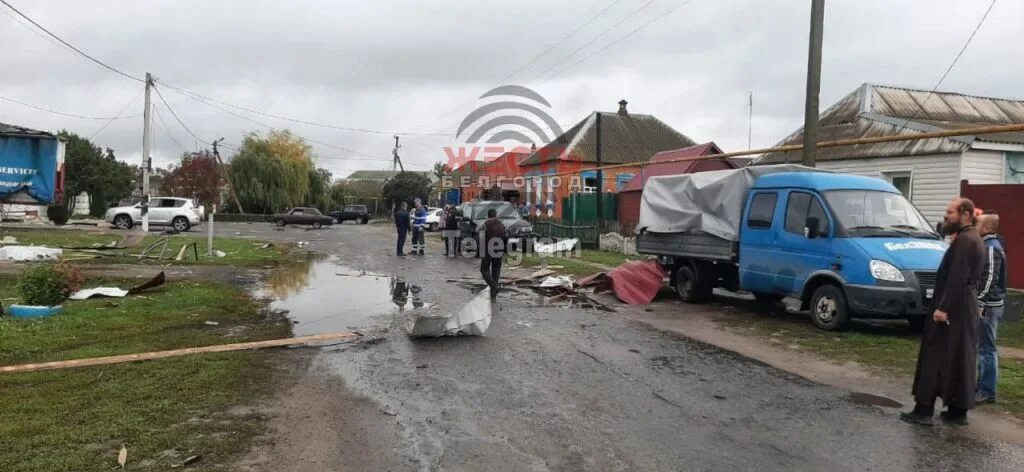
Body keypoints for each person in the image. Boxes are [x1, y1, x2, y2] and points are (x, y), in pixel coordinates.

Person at [902, 198, 986, 426]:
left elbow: (958, 278)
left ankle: (923, 410)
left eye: (950, 212)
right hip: (964, 307)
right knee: (960, 357)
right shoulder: (973, 238)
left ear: (966, 214)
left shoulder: (965, 241)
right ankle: (958, 410)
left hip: (952, 308)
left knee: (934, 356)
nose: (946, 216)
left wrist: (943, 308)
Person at [975, 213, 1006, 404]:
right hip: (989, 304)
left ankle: (987, 391)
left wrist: (980, 302)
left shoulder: (991, 249)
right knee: (983, 346)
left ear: (986, 228)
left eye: (978, 223)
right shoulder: (987, 246)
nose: (975, 225)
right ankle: (982, 385)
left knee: (987, 348)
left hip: (990, 306)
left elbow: (990, 278)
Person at [480, 208, 506, 300]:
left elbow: (481, 238)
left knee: (484, 269)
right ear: (496, 215)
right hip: (499, 250)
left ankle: (494, 286)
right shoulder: (502, 225)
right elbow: (505, 237)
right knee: (496, 271)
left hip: (488, 250)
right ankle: (493, 295)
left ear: (488, 216)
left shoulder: (486, 225)